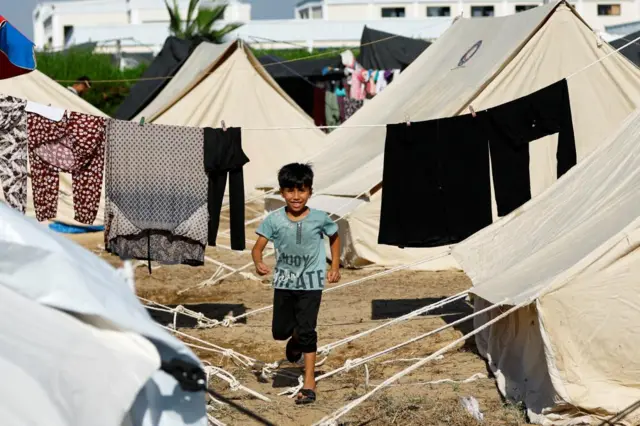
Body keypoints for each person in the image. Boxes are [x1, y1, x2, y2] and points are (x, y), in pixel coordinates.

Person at [252, 163, 341, 405]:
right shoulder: (274, 220)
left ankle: (309, 381)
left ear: (310, 191)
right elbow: (257, 248)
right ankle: (295, 340)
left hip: (311, 283)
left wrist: (334, 266)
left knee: (308, 330)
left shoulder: (320, 218)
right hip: (283, 283)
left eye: (301, 191)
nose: (296, 196)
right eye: (290, 191)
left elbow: (334, 236)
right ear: (282, 193)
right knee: (280, 332)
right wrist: (258, 262)